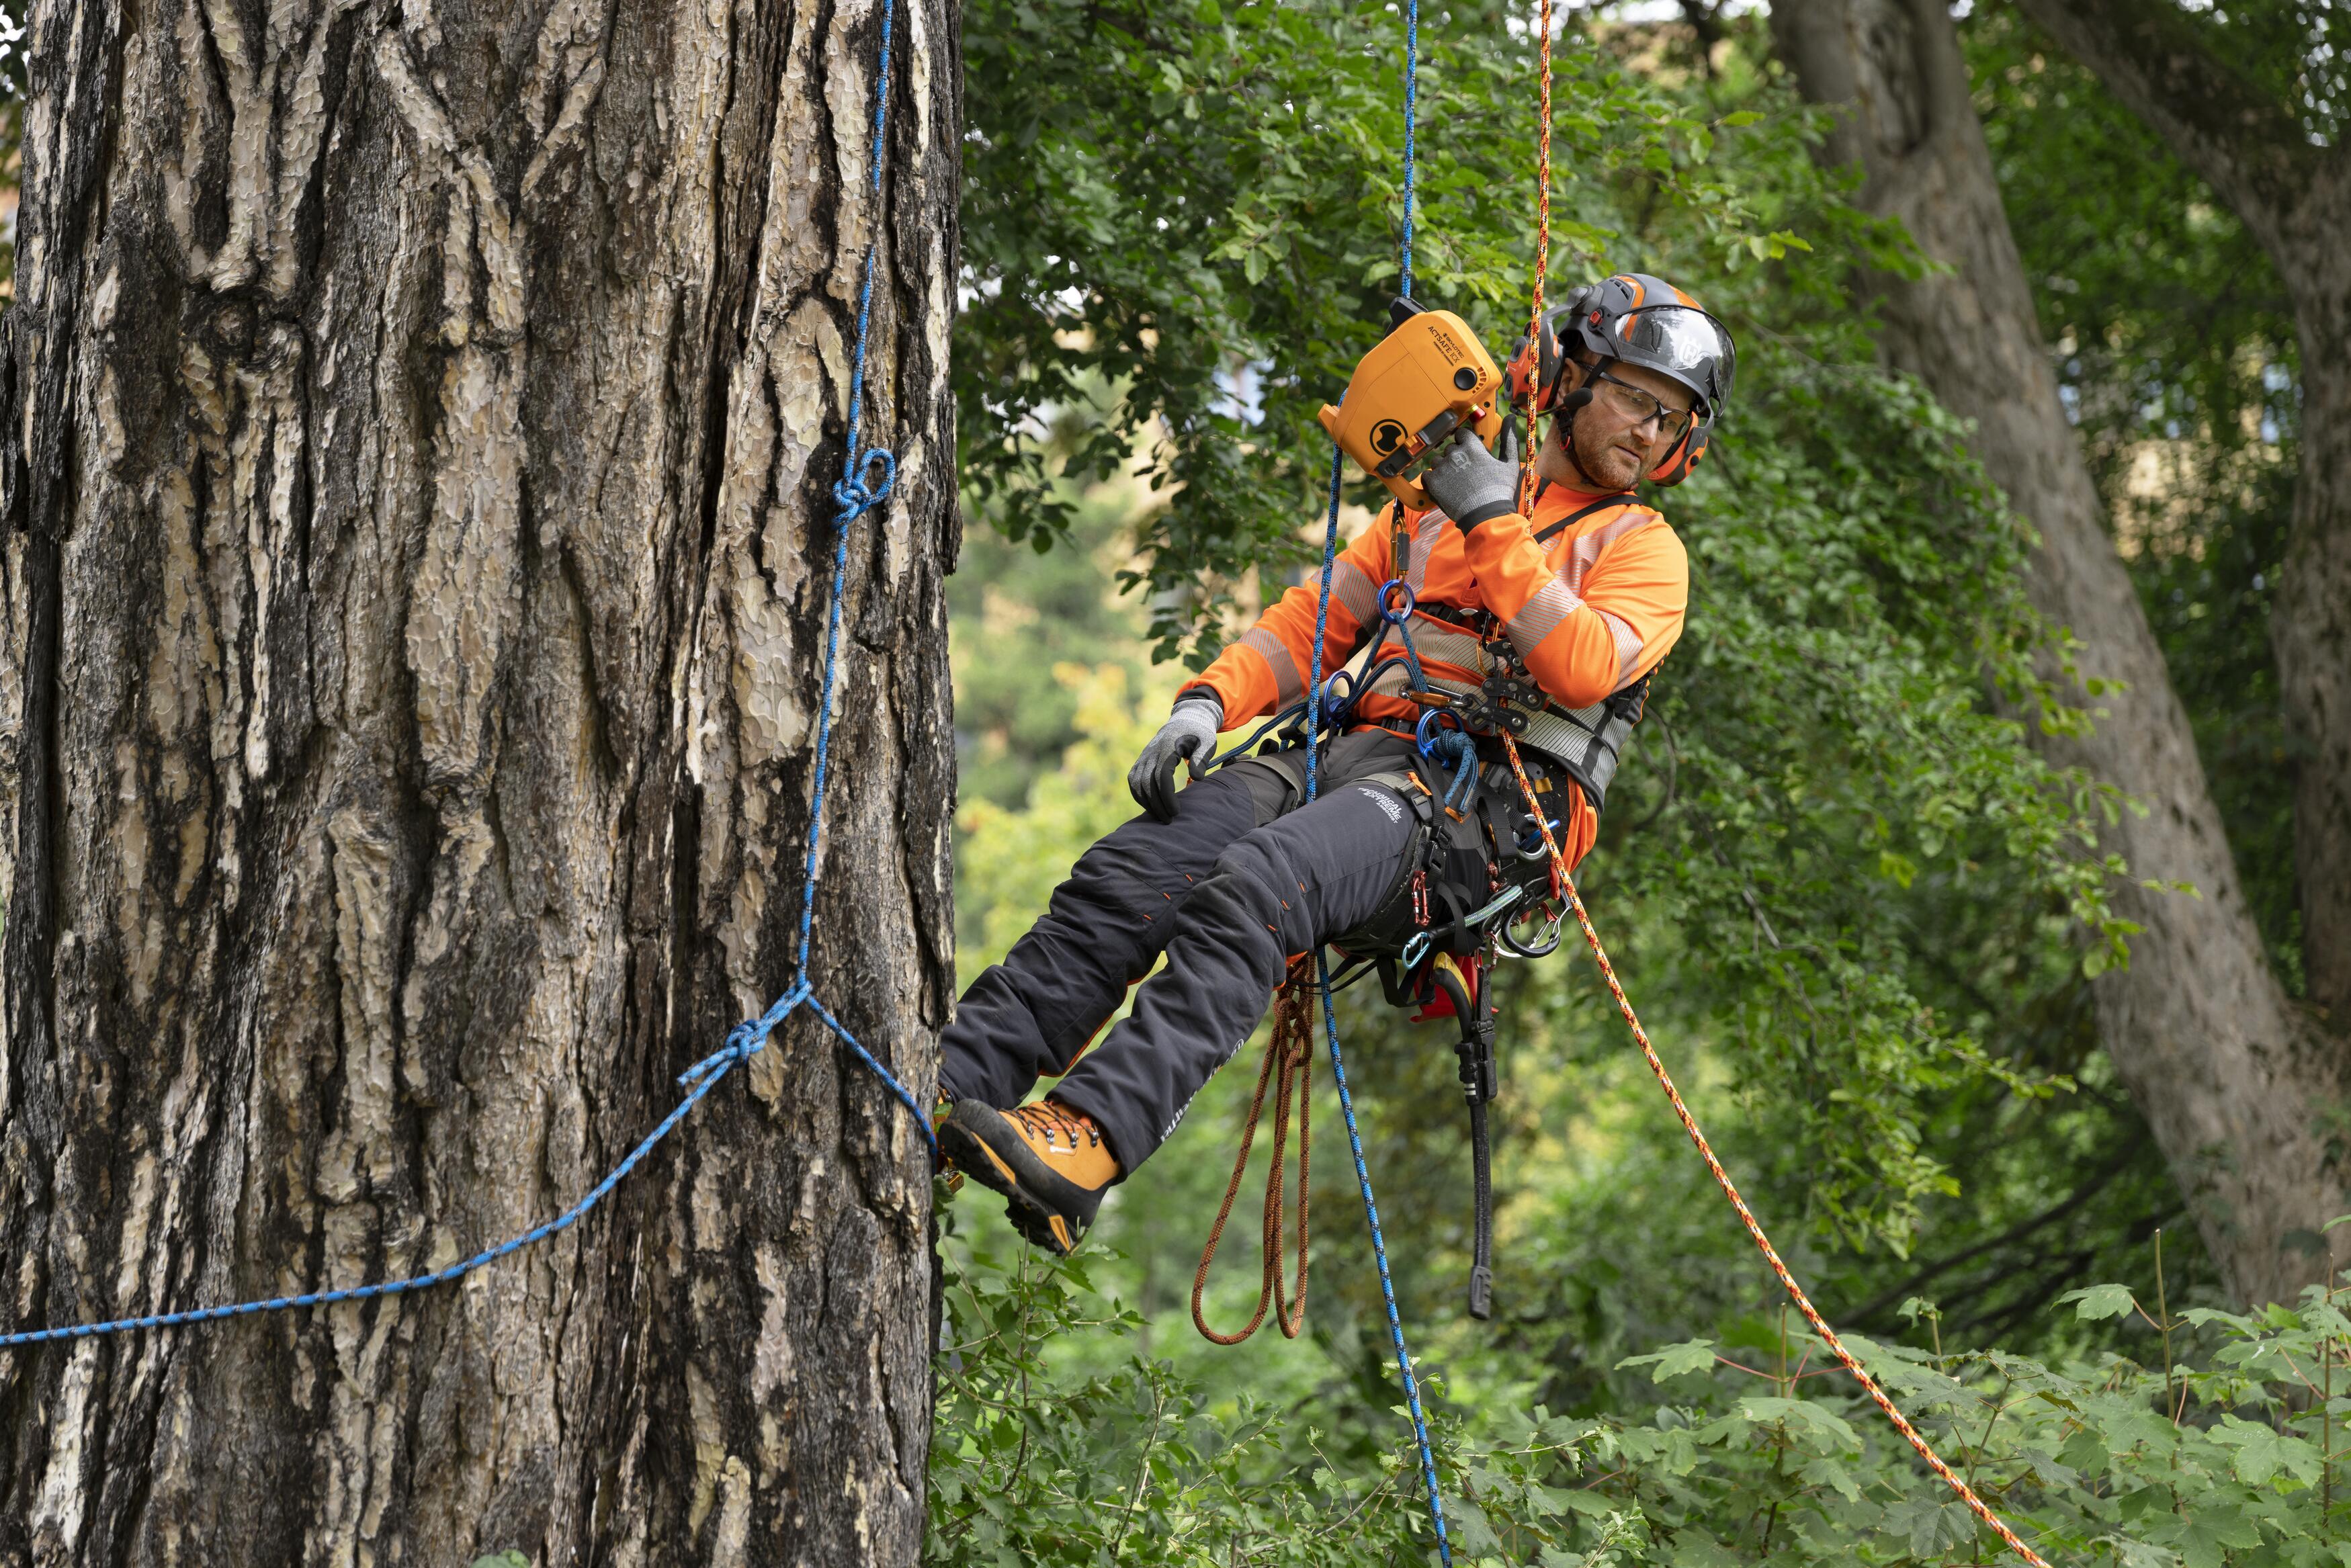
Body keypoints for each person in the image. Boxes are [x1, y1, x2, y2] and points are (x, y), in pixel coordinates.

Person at [936, 275, 1736, 1253]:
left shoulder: (1641, 549)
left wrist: (1492, 517)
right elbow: (1319, 620)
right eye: (1637, 398)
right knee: (1135, 871)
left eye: (1673, 419)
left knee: (1263, 882)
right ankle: (955, 1079)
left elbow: (1577, 663)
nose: (1650, 433)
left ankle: (1091, 1140)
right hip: (1361, 755)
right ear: (1571, 374)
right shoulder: (1433, 509)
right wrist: (1208, 702)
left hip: (1482, 815)